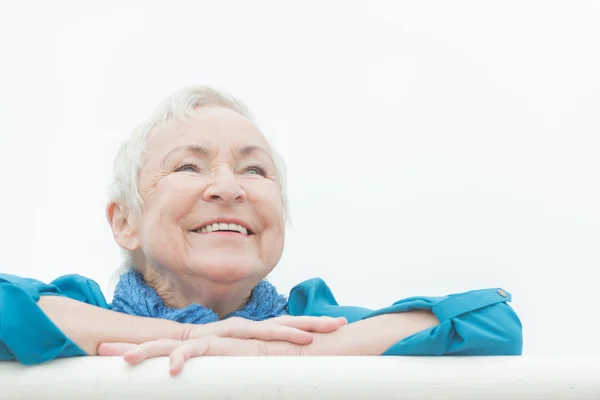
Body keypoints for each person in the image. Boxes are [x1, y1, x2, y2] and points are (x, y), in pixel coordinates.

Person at [0, 85, 523, 376]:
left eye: (255, 170)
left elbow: (494, 324)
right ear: (124, 221)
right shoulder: (81, 317)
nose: (229, 188)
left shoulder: (316, 326)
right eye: (189, 167)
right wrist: (188, 337)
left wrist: (273, 353)